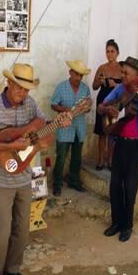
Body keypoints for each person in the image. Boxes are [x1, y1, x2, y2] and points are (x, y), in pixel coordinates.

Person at [0, 63, 71, 275]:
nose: (23, 93)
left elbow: (44, 130)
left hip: (24, 175)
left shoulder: (31, 104)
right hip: (0, 177)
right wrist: (9, 145)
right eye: (20, 88)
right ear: (9, 83)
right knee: (3, 228)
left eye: (27, 89)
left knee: (22, 226)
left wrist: (58, 123)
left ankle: (12, 268)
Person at [98, 56, 138, 242]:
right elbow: (102, 106)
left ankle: (127, 226)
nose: (122, 75)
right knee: (115, 186)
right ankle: (116, 222)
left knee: (130, 187)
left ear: (137, 75)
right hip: (119, 144)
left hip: (136, 147)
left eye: (126, 73)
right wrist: (107, 110)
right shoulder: (119, 89)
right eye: (122, 72)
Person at [51, 60, 92, 196]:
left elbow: (88, 106)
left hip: (79, 128)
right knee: (61, 157)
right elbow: (53, 104)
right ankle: (57, 184)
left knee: (76, 157)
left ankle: (74, 181)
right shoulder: (61, 87)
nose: (79, 78)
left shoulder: (85, 89)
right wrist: (66, 110)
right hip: (64, 128)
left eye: (81, 75)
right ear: (70, 73)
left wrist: (85, 109)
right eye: (76, 74)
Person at [92, 39, 123, 170]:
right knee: (102, 132)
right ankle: (100, 160)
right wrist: (99, 81)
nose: (109, 54)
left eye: (112, 51)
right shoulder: (102, 68)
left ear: (117, 53)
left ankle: (110, 160)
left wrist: (116, 84)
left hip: (115, 103)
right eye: (107, 51)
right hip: (102, 103)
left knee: (112, 132)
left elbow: (127, 86)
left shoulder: (122, 68)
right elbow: (94, 86)